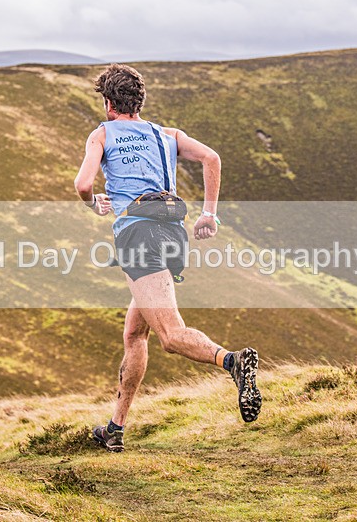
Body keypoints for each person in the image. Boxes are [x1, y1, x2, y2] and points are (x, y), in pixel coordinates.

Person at [74, 64, 261, 453]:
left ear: (109, 103)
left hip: (139, 235)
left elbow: (83, 184)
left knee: (171, 336)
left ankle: (232, 362)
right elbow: (212, 158)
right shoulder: (167, 135)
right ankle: (115, 429)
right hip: (172, 233)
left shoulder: (103, 134)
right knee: (134, 333)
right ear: (138, 100)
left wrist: (94, 203)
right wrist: (209, 213)